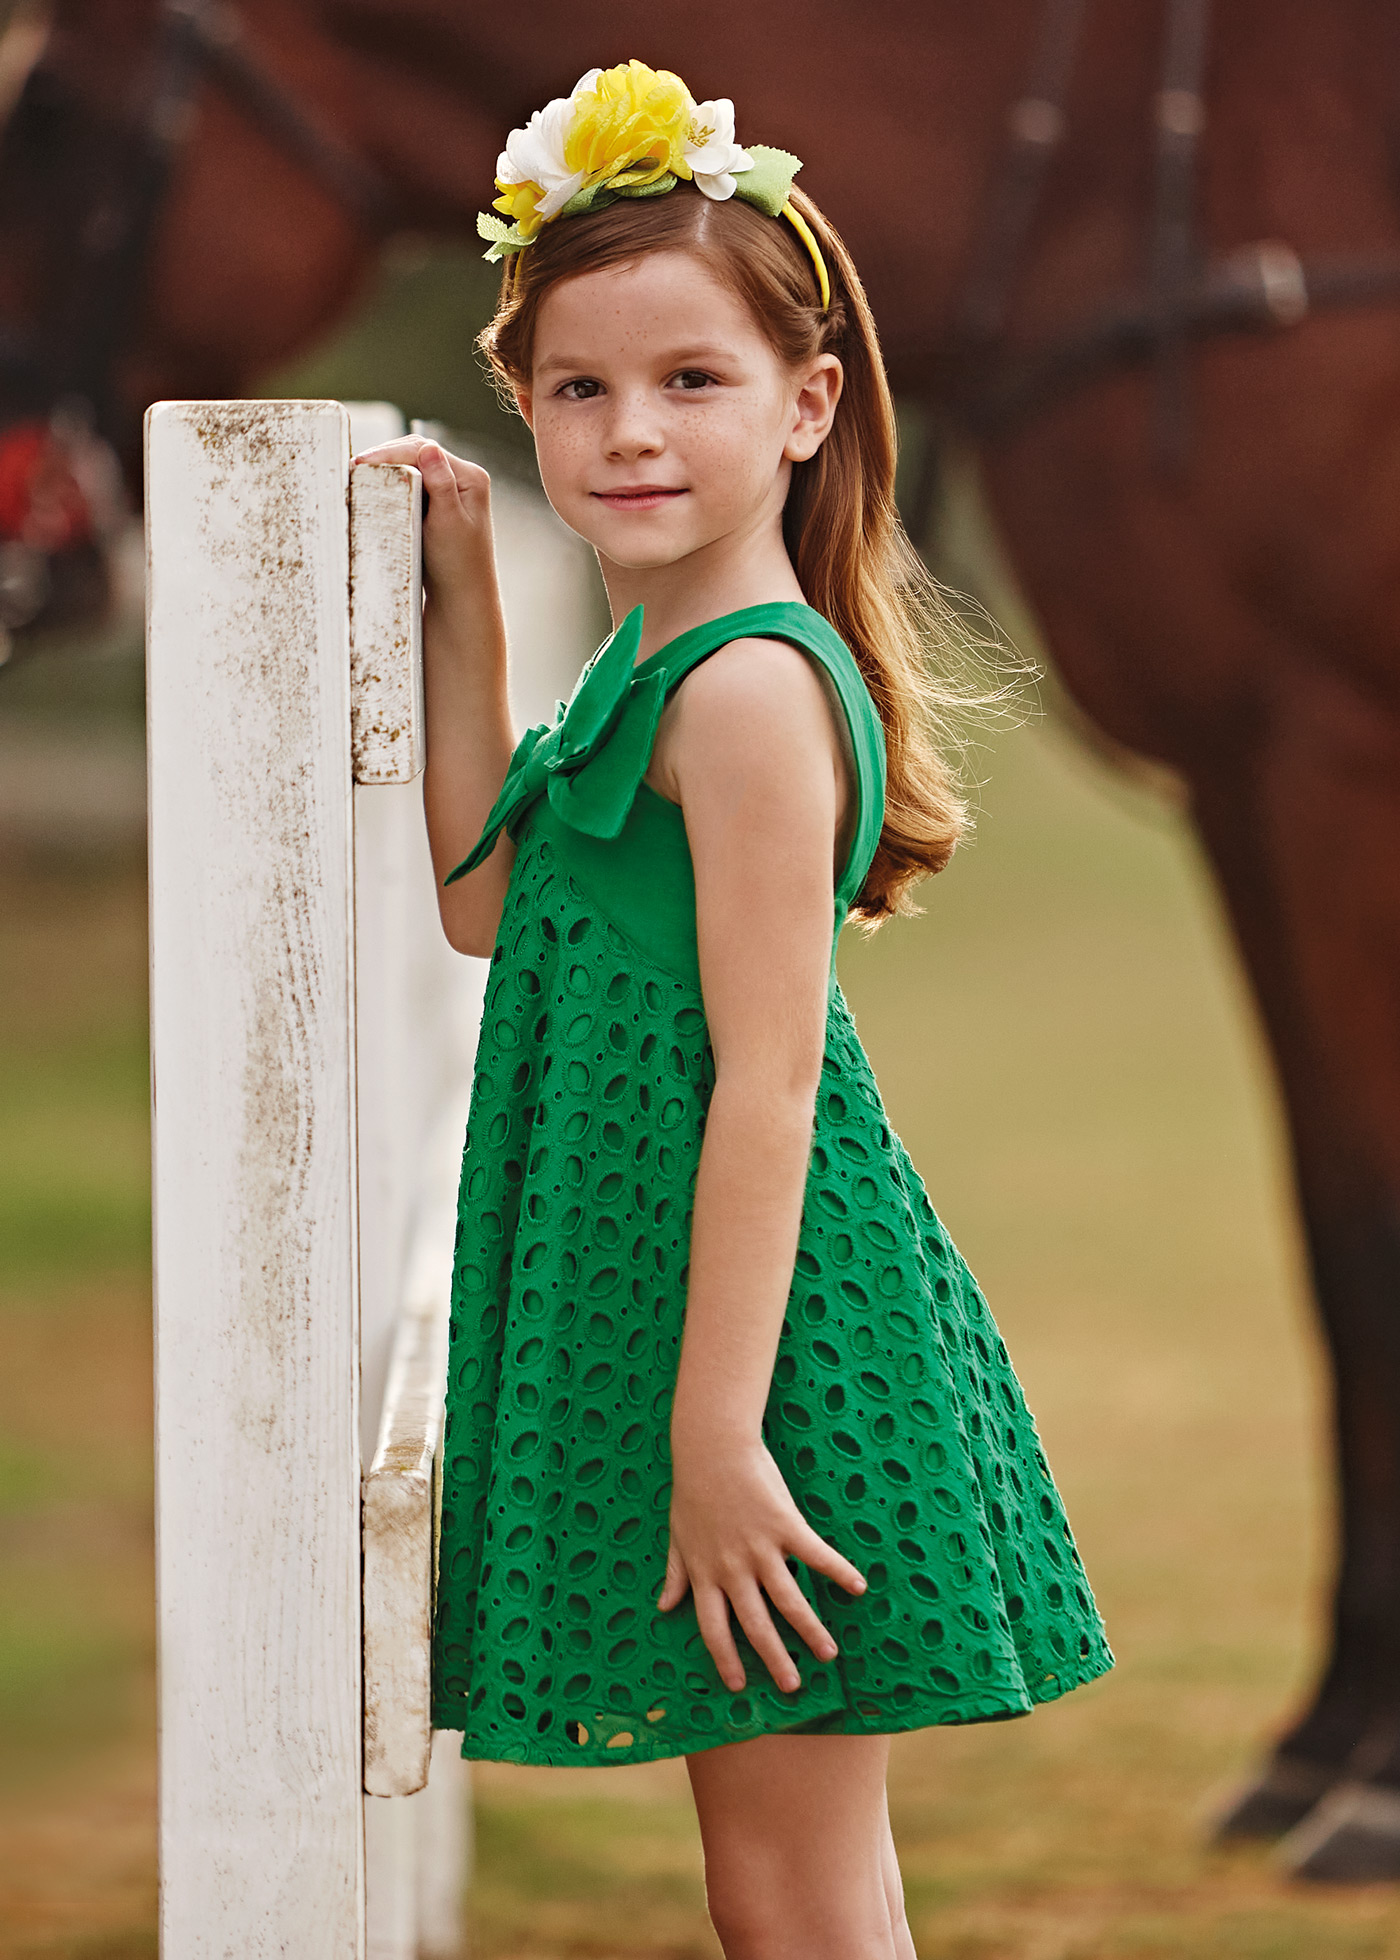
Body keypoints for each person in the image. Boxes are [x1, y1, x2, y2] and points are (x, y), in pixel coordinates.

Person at [355, 59, 1112, 1960]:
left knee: (787, 1898)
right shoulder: (649, 667)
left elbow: (769, 1089)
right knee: (803, 1888)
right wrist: (461, 609)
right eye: (577, 390)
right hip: (711, 1348)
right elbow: (484, 912)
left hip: (774, 1373)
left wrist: (719, 1437)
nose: (628, 434)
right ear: (521, 402)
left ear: (806, 406)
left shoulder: (748, 696)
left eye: (691, 382)